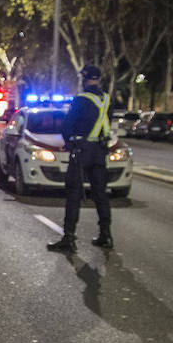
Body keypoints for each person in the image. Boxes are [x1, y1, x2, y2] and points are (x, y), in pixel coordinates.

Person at [48, 65, 113, 252]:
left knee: (74, 194)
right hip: (100, 151)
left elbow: (68, 126)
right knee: (101, 194)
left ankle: (69, 237)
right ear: (99, 79)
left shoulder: (82, 99)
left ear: (84, 79)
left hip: (81, 151)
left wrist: (69, 142)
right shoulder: (107, 100)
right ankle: (106, 234)